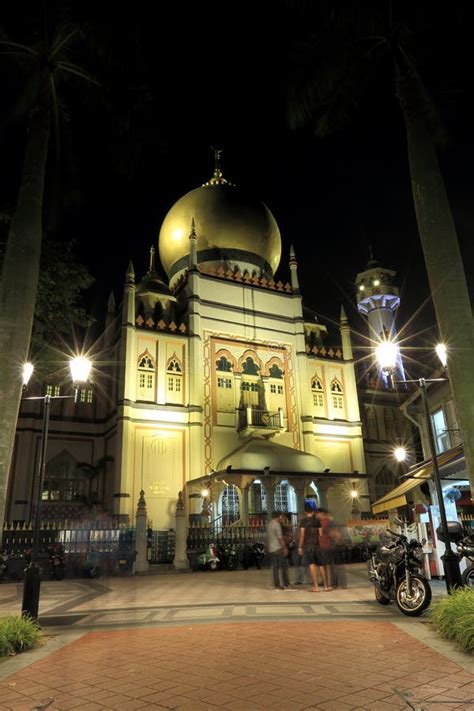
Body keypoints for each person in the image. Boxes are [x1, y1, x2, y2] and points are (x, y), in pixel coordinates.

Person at [298, 501, 330, 592]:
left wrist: (300, 547)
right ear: (313, 511)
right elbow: (320, 534)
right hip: (317, 545)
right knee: (321, 565)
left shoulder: (303, 521)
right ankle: (326, 586)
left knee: (312, 565)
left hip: (308, 546)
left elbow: (302, 535)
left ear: (305, 512)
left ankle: (315, 587)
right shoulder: (317, 521)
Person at [266, 511, 292, 590]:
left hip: (272, 548)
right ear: (279, 516)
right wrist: (284, 548)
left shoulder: (270, 524)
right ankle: (286, 583)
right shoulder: (277, 525)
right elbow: (280, 538)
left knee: (275, 568)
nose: (283, 519)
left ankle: (276, 585)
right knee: (284, 566)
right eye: (282, 517)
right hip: (278, 548)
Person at [315, 508, 334, 591]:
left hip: (323, 545)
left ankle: (328, 583)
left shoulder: (323, 522)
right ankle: (326, 582)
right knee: (325, 565)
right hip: (324, 545)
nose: (317, 515)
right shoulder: (326, 521)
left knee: (324, 565)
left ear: (321, 513)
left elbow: (321, 533)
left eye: (318, 514)